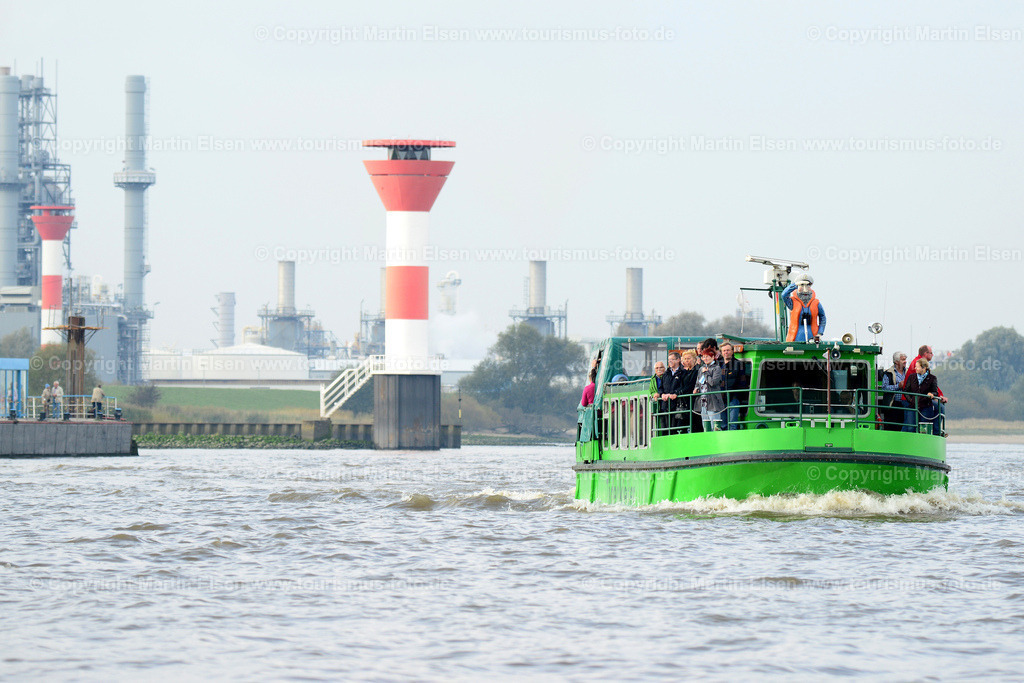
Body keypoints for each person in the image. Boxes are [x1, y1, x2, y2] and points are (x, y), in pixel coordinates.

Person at [902, 358, 948, 435]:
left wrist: (931, 394)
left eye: (917, 367)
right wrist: (911, 400)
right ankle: (911, 443)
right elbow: (906, 391)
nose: (915, 368)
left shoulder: (932, 378)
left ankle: (925, 442)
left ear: (923, 368)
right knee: (910, 427)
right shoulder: (911, 377)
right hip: (912, 406)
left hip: (926, 406)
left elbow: (935, 392)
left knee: (924, 428)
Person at [782, 275, 826, 342]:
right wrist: (795, 284)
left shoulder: (816, 303)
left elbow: (822, 317)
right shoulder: (792, 302)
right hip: (795, 338)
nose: (805, 289)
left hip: (812, 338)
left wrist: (820, 332)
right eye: (802, 285)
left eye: (807, 285)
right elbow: (784, 295)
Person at [694, 347, 726, 431]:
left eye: (707, 356)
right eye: (703, 357)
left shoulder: (717, 368)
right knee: (705, 425)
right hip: (703, 401)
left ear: (713, 357)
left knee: (714, 425)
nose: (705, 358)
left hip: (713, 400)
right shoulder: (701, 368)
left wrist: (706, 373)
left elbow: (713, 383)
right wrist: (696, 388)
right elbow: (698, 382)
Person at [720, 342, 749, 430]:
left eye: (728, 350)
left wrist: (737, 395)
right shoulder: (719, 365)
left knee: (733, 424)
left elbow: (742, 382)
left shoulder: (739, 364)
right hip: (721, 400)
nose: (726, 352)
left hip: (733, 398)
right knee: (723, 425)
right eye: (724, 351)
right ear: (721, 353)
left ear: (732, 351)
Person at [880, 351, 909, 431]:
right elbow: (884, 388)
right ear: (896, 361)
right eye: (903, 360)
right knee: (892, 427)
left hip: (906, 405)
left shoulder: (908, 373)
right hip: (893, 405)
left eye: (905, 359)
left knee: (905, 427)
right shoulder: (888, 373)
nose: (905, 361)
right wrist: (898, 386)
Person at [679, 349, 702, 433]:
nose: (687, 360)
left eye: (688, 358)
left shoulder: (697, 370)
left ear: (694, 359)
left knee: (697, 423)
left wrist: (681, 392)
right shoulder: (684, 372)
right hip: (686, 401)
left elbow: (692, 384)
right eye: (685, 359)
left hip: (696, 401)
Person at [649, 361, 670, 435]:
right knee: (662, 424)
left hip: (668, 403)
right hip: (659, 405)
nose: (659, 369)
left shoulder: (668, 376)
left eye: (661, 367)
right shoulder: (653, 379)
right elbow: (651, 390)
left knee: (669, 424)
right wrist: (654, 394)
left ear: (664, 368)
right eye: (657, 368)